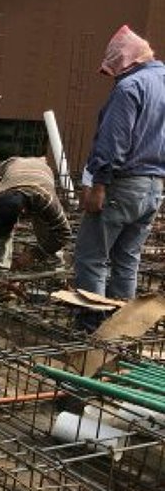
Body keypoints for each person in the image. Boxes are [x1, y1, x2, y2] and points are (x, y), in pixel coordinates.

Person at [73, 25, 165, 330]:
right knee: (127, 260)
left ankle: (92, 329)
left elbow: (113, 141)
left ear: (127, 61)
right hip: (154, 187)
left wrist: (98, 184)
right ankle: (118, 332)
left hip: (121, 184)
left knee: (92, 257)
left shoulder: (130, 87)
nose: (114, 77)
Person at [0, 156, 71, 274]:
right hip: (11, 167)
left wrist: (32, 255)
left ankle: (56, 273)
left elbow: (64, 234)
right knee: (1, 235)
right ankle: (0, 273)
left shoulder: (46, 200)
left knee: (46, 232)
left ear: (22, 212)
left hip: (40, 174)